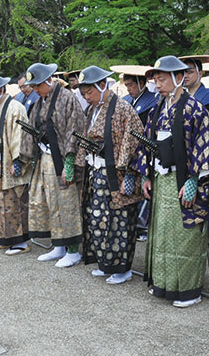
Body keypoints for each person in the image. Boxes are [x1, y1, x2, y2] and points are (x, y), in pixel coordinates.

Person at [137, 56, 209, 308]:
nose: (157, 83)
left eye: (161, 78)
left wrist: (194, 180)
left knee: (184, 236)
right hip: (161, 180)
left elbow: (206, 146)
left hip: (183, 181)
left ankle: (188, 290)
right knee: (163, 234)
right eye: (155, 79)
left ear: (177, 78)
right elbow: (146, 144)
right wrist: (145, 175)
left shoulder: (195, 109)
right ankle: (164, 283)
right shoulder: (156, 109)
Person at [75, 66, 144, 284]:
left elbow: (133, 142)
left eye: (90, 92)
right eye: (84, 93)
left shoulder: (123, 108)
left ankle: (122, 268)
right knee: (97, 218)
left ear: (103, 85)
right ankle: (104, 262)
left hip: (116, 174)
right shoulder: (91, 111)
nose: (87, 97)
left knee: (118, 221)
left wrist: (129, 174)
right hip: (96, 171)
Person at [20, 63, 86, 267]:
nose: (35, 90)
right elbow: (31, 128)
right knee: (50, 203)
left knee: (67, 204)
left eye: (38, 85)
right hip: (45, 159)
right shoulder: (41, 101)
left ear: (49, 81)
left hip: (62, 159)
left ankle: (73, 250)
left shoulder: (67, 98)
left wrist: (69, 163)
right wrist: (26, 156)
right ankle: (59, 246)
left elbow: (74, 130)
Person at [0, 74, 32, 254]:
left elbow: (20, 136)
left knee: (12, 201)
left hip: (7, 161)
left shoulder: (15, 108)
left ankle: (20, 241)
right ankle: (3, 237)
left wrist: (17, 161)